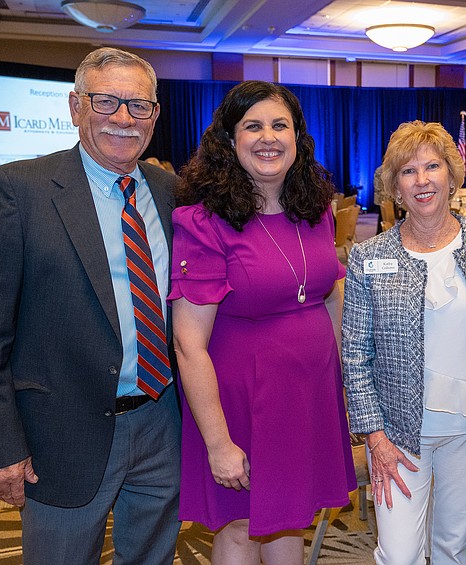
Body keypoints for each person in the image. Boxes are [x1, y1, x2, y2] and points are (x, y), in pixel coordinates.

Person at [0, 47, 181, 563]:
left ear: (155, 115)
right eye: (107, 102)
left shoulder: (171, 192)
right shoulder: (16, 191)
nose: (124, 118)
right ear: (75, 106)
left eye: (139, 106)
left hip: (161, 421)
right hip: (59, 432)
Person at [170, 80, 356, 564]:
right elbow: (189, 344)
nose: (268, 137)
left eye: (280, 125)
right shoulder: (204, 221)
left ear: (297, 138)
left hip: (306, 395)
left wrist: (338, 389)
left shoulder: (315, 211)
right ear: (230, 140)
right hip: (239, 403)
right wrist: (218, 442)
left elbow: (328, 297)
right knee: (242, 524)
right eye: (252, 126)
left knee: (290, 516)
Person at [343, 120, 466, 565]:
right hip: (397, 434)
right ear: (395, 185)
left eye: (432, 166)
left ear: (451, 176)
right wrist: (374, 436)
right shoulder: (368, 256)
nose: (422, 180)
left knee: (452, 548)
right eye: (408, 170)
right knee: (398, 555)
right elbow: (355, 356)